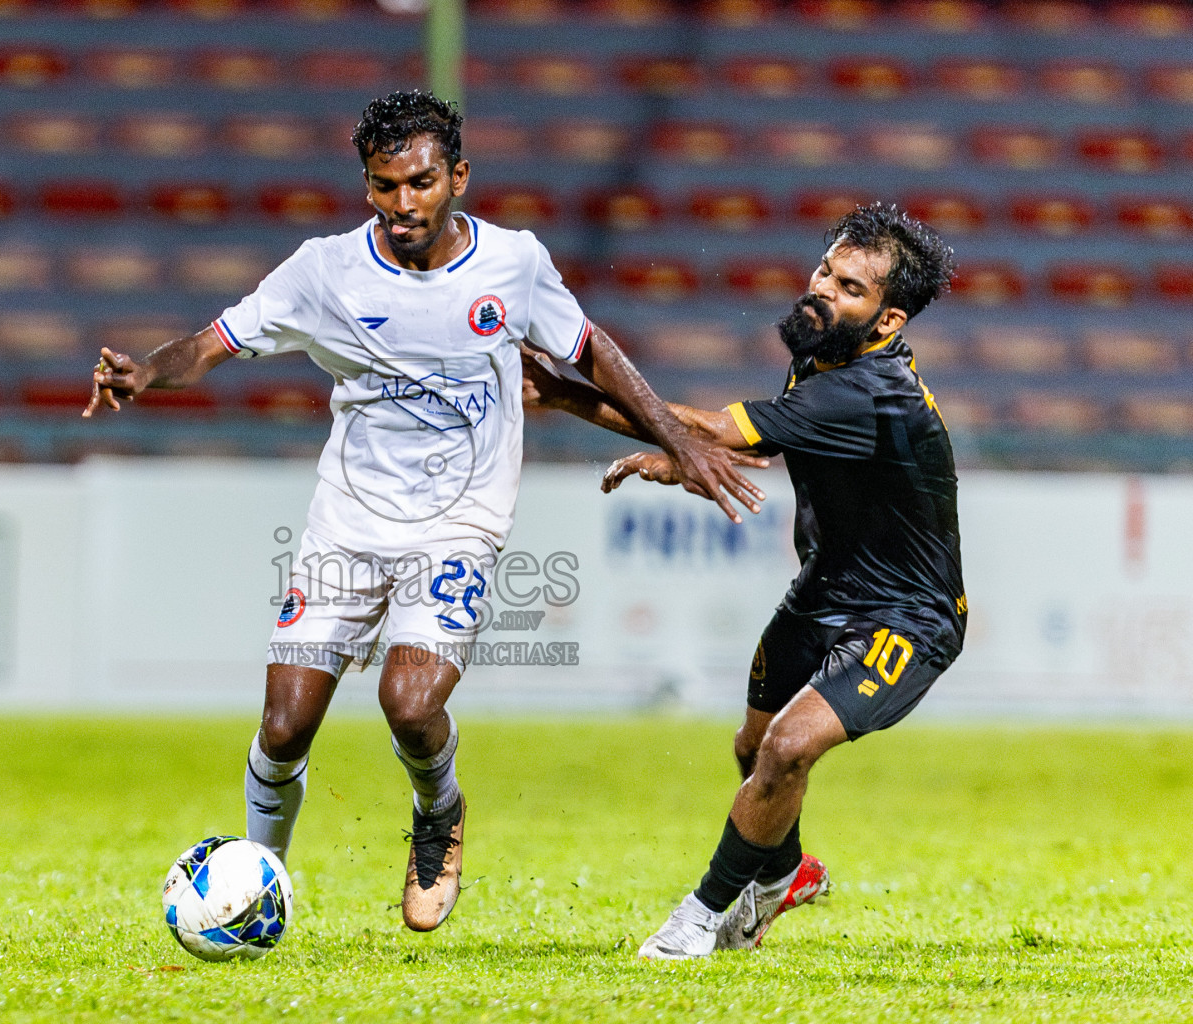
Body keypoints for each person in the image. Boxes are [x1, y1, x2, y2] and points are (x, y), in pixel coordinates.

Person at [86, 90, 763, 932]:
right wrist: (147, 371)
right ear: (366, 185)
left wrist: (680, 440)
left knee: (409, 703)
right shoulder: (324, 271)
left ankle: (438, 813)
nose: (404, 204)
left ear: (458, 177)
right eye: (384, 186)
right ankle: (258, 881)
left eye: (421, 182)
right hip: (348, 522)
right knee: (285, 725)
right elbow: (212, 343)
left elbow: (591, 355)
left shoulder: (512, 264)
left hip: (459, 524)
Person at [523, 203, 963, 958]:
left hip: (908, 618)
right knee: (752, 746)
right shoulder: (826, 355)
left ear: (887, 321)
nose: (822, 288)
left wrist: (570, 396)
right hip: (826, 589)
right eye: (826, 269)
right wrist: (695, 454)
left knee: (788, 748)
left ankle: (700, 918)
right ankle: (786, 873)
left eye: (849, 288)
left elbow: (714, 430)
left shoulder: (870, 389)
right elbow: (764, 442)